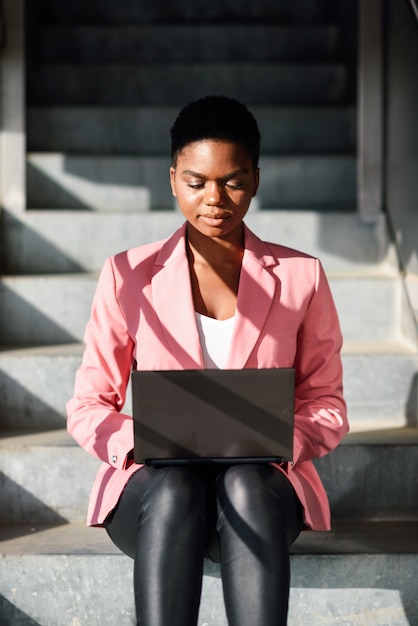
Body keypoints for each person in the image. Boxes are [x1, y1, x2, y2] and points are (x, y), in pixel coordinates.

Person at [67, 95, 348, 626]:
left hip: (261, 488)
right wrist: (140, 443)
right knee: (176, 487)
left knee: (244, 480)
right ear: (172, 179)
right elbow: (88, 405)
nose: (214, 198)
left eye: (233, 181)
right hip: (157, 492)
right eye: (196, 182)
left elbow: (326, 403)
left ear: (257, 180)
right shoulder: (127, 274)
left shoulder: (301, 277)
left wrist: (281, 439)